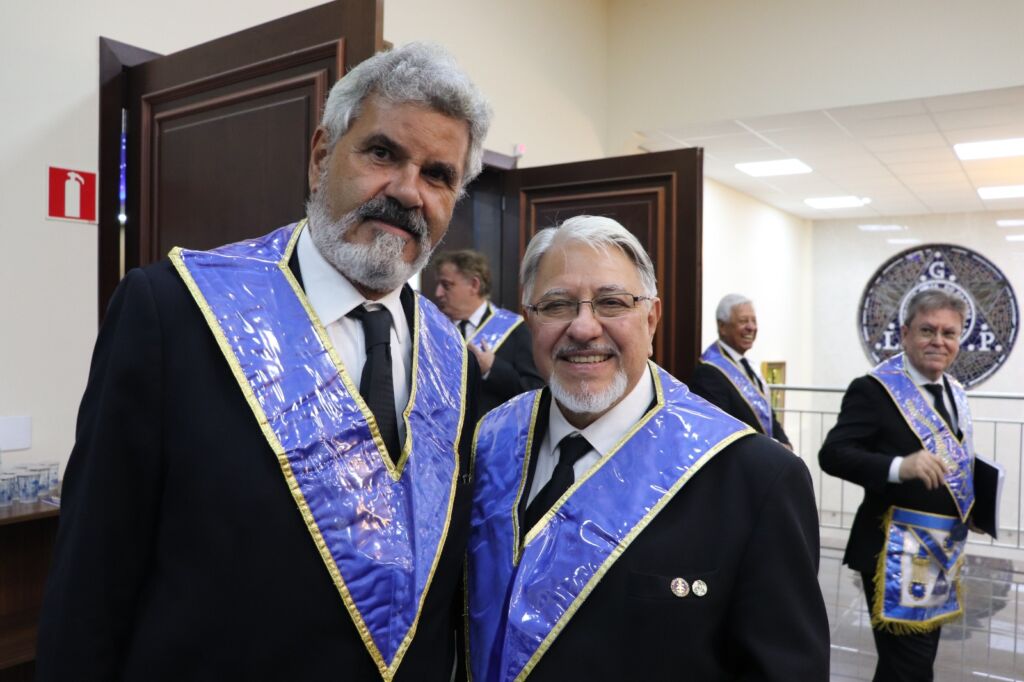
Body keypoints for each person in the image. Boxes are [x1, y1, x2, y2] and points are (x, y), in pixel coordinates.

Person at [36, 43, 491, 681]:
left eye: (438, 175)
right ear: (321, 156)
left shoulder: (455, 363)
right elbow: (91, 576)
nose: (407, 192)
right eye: (382, 153)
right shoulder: (174, 312)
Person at [465, 215, 829, 681]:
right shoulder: (487, 442)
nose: (583, 328)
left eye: (612, 302)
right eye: (556, 305)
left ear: (651, 319)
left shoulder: (755, 478)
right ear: (530, 320)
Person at [819, 289, 976, 682]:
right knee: (910, 667)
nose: (938, 341)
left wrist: (976, 507)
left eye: (949, 333)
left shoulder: (954, 392)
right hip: (894, 550)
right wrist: (899, 466)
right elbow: (833, 454)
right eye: (927, 330)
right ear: (905, 334)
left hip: (939, 549)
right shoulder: (874, 390)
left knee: (907, 666)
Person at [433, 250, 544, 415]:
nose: (438, 293)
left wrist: (492, 368)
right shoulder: (435, 329)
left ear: (474, 285)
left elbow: (534, 392)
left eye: (446, 285)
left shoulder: (515, 329)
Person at [690, 294, 792, 448]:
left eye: (754, 321)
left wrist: (785, 443)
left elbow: (768, 415)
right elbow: (721, 432)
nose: (751, 327)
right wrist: (775, 449)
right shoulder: (708, 373)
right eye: (743, 321)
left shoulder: (747, 365)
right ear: (722, 327)